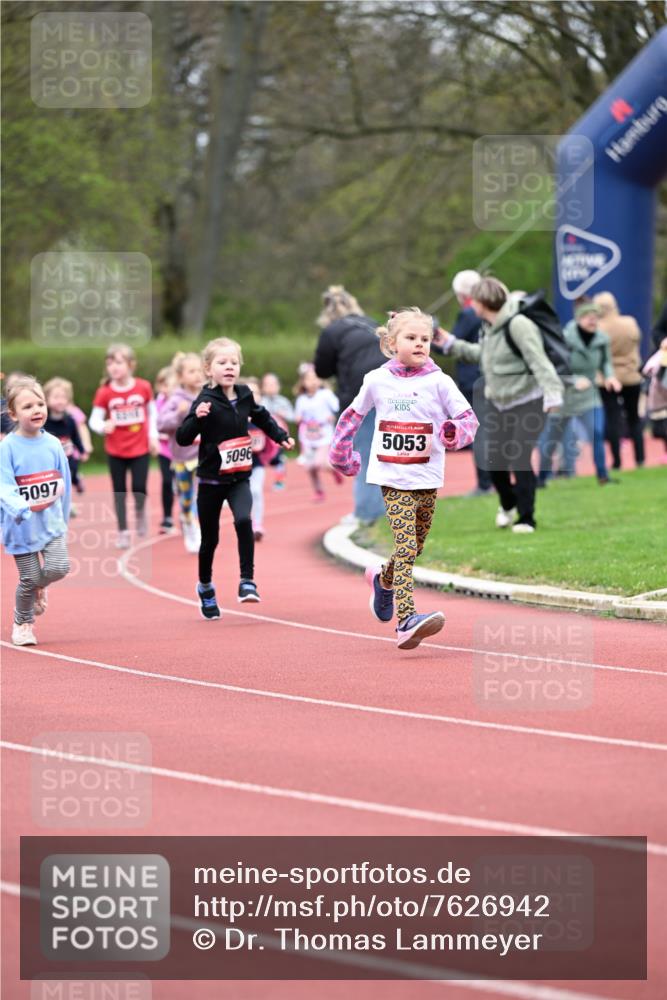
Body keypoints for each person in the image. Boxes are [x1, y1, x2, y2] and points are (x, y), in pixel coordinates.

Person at [329, 308, 478, 650]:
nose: (420, 344)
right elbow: (352, 416)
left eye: (425, 339)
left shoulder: (440, 382)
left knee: (416, 546)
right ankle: (406, 620)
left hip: (426, 475)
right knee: (407, 545)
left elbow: (468, 419)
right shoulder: (377, 380)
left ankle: (383, 581)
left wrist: (453, 432)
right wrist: (341, 452)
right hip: (392, 475)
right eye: (411, 338)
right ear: (391, 343)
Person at [175, 337, 294, 620]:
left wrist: (280, 436)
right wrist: (196, 419)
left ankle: (247, 581)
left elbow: (263, 418)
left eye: (234, 362)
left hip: (240, 477)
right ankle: (205, 585)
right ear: (208, 369)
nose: (229, 367)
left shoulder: (244, 395)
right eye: (222, 362)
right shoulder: (204, 400)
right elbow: (183, 438)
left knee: (243, 520)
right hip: (210, 481)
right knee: (210, 539)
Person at [439, 277, 564, 532]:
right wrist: (449, 343)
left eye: (473, 301)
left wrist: (553, 394)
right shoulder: (488, 326)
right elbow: (481, 356)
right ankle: (508, 503)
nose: (470, 305)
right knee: (492, 460)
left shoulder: (519, 324)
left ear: (482, 302)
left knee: (519, 457)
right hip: (498, 402)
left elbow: (539, 360)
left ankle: (526, 518)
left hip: (528, 399)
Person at [0, 376, 71, 646]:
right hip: (21, 526)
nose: (37, 410)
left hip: (51, 523)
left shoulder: (53, 444)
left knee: (60, 567)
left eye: (40, 403)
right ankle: (22, 622)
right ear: (13, 413)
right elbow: (3, 485)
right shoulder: (6, 448)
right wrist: (19, 508)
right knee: (27, 578)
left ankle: (39, 587)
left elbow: (62, 482)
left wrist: (64, 518)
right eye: (28, 406)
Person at [314, 285, 385, 525]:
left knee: (366, 453)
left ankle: (367, 513)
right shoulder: (371, 322)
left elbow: (321, 369)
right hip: (391, 388)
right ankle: (387, 508)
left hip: (361, 394)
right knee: (387, 452)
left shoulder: (332, 331)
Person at [538, 299, 619, 485]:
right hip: (564, 396)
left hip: (589, 395)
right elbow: (553, 368)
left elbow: (606, 362)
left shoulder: (601, 339)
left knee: (597, 433)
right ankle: (541, 478)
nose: (592, 321)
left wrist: (610, 376)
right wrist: (573, 380)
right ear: (578, 318)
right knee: (552, 439)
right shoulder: (564, 338)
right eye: (588, 317)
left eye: (595, 317)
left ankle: (603, 475)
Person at [89, 343, 159, 549]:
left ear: (131, 365)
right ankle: (123, 531)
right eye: (109, 363)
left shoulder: (143, 387)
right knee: (119, 491)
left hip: (140, 448)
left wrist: (153, 437)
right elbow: (94, 420)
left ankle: (139, 511)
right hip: (116, 450)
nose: (114, 367)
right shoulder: (104, 392)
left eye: (118, 362)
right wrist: (104, 426)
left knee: (139, 487)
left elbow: (152, 414)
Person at [432, 269, 493, 497]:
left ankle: (485, 484)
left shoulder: (468, 314)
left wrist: (432, 336)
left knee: (478, 432)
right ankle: (491, 481)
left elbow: (450, 345)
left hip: (472, 379)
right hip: (488, 377)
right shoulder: (489, 311)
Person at [157, 351, 204, 553]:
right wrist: (179, 414)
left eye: (200, 370)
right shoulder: (176, 399)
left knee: (203, 495)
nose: (197, 375)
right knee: (186, 498)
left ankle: (198, 529)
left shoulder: (208, 395)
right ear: (181, 376)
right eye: (192, 371)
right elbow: (160, 423)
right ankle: (187, 522)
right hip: (183, 459)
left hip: (204, 456)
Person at [593, 291, 645, 469]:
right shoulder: (630, 323)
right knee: (634, 418)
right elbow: (637, 341)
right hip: (632, 377)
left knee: (612, 418)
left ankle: (617, 461)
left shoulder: (599, 328)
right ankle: (640, 459)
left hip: (607, 379)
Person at [294, 364, 342, 502]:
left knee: (319, 463)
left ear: (320, 380)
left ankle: (333, 470)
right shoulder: (301, 399)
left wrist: (332, 416)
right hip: (308, 438)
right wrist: (299, 419)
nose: (313, 381)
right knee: (310, 468)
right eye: (309, 379)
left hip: (324, 436)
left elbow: (337, 407)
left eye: (315, 378)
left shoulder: (325, 395)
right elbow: (297, 416)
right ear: (303, 382)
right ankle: (319, 491)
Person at [43, 378, 90, 513]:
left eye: (64, 397)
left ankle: (69, 499)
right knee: (55, 485)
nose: (60, 401)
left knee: (69, 477)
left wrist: (82, 450)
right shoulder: (43, 421)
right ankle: (59, 506)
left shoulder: (70, 420)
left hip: (68, 458)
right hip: (50, 461)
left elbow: (75, 437)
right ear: (46, 398)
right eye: (56, 397)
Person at [245, 377, 280, 541]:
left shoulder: (263, 416)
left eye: (255, 392)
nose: (252, 396)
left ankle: (257, 524)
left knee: (256, 491)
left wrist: (270, 452)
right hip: (237, 466)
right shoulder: (234, 417)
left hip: (257, 463)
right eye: (248, 393)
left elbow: (273, 434)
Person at [260, 372, 294, 490]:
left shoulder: (283, 401)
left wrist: (284, 414)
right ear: (263, 387)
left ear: (278, 386)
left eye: (273, 384)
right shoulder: (261, 401)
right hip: (264, 437)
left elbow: (292, 416)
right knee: (262, 459)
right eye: (267, 384)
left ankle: (279, 480)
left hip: (279, 436)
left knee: (277, 459)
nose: (270, 387)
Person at [154, 366, 177, 533]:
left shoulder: (181, 402)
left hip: (181, 451)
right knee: (167, 481)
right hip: (164, 450)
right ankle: (167, 517)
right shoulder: (157, 403)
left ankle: (187, 514)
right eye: (168, 385)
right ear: (161, 387)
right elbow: (153, 424)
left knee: (184, 485)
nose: (171, 389)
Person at [643, 338, 667, 463]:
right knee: (660, 429)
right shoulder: (660, 357)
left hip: (661, 398)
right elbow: (647, 369)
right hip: (659, 398)